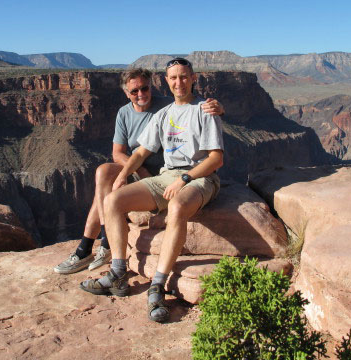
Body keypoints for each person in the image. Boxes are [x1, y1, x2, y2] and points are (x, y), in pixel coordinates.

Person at [80, 58, 224, 323]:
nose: (178, 82)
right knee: (112, 201)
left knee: (178, 206)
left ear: (193, 78)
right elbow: (141, 151)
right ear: (166, 82)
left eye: (183, 77)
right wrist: (122, 175)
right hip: (166, 176)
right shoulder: (164, 114)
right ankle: (118, 273)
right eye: (173, 78)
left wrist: (184, 178)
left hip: (201, 177)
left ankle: (157, 286)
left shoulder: (205, 110)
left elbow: (216, 159)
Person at [53, 67, 223, 274]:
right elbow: (118, 153)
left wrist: (219, 108)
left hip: (167, 171)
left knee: (108, 188)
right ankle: (98, 244)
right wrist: (135, 171)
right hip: (139, 169)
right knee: (104, 173)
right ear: (127, 93)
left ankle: (91, 247)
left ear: (151, 87)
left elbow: (191, 105)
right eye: (134, 91)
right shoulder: (124, 113)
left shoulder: (165, 104)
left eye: (144, 88)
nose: (141, 94)